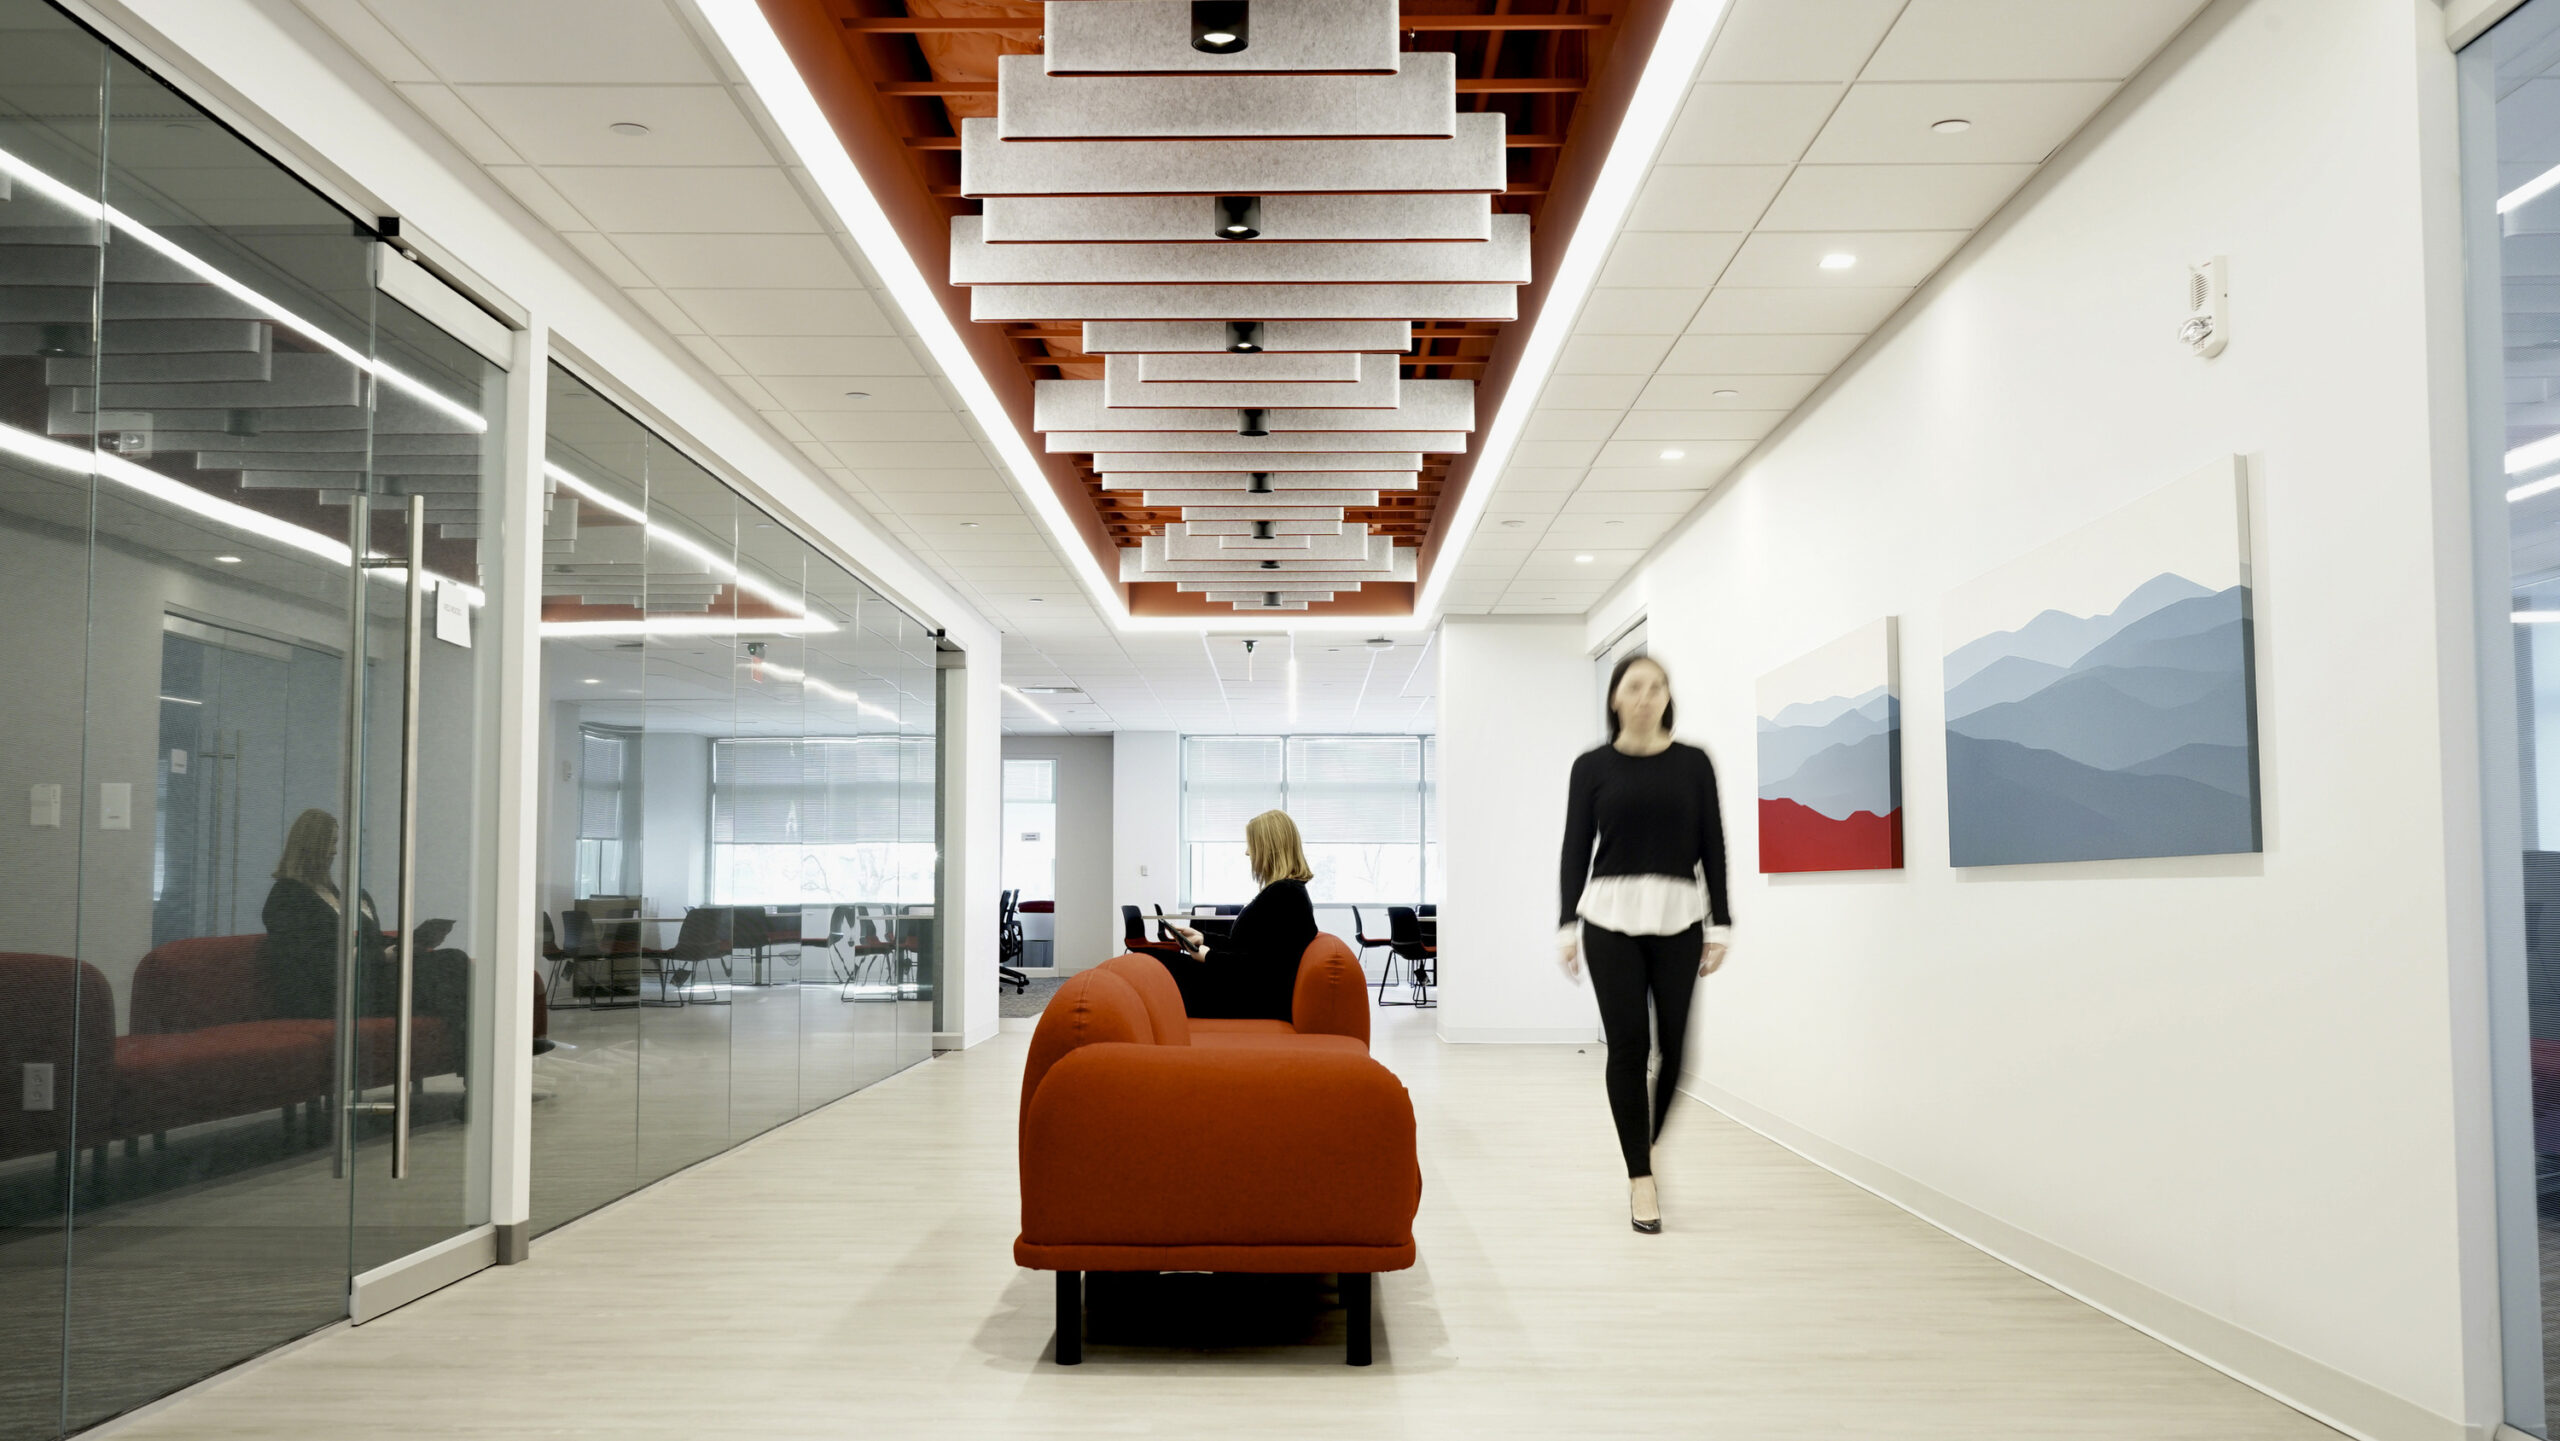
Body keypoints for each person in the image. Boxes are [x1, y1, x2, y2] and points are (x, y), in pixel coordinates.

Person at [1557, 655, 1732, 1234]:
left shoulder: (1694, 763)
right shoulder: (1592, 767)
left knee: (1676, 1051)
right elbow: (1575, 848)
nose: (1646, 696)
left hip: (1680, 917)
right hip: (1608, 920)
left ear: (1666, 697)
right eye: (1635, 686)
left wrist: (1721, 921)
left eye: (1657, 687)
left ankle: (1643, 1148)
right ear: (1615, 697)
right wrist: (1566, 926)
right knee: (1629, 1049)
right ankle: (1640, 1177)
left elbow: (1713, 843)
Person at [263, 808, 470, 1045]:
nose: (334, 850)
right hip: (329, 992)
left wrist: (407, 944)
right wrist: (381, 957)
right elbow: (315, 959)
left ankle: (464, 1055)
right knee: (442, 976)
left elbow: (369, 940)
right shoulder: (287, 896)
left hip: (368, 978)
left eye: (336, 842)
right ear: (310, 846)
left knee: (453, 959)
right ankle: (467, 1058)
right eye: (329, 843)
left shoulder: (340, 894)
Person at [1161, 809, 1319, 1022]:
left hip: (1248, 998)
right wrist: (1204, 938)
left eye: (1251, 845)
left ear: (1268, 848)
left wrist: (1208, 955)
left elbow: (1262, 968)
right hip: (1244, 990)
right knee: (1156, 962)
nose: (1247, 853)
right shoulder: (1286, 892)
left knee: (1155, 964)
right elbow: (1247, 947)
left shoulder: (1285, 894)